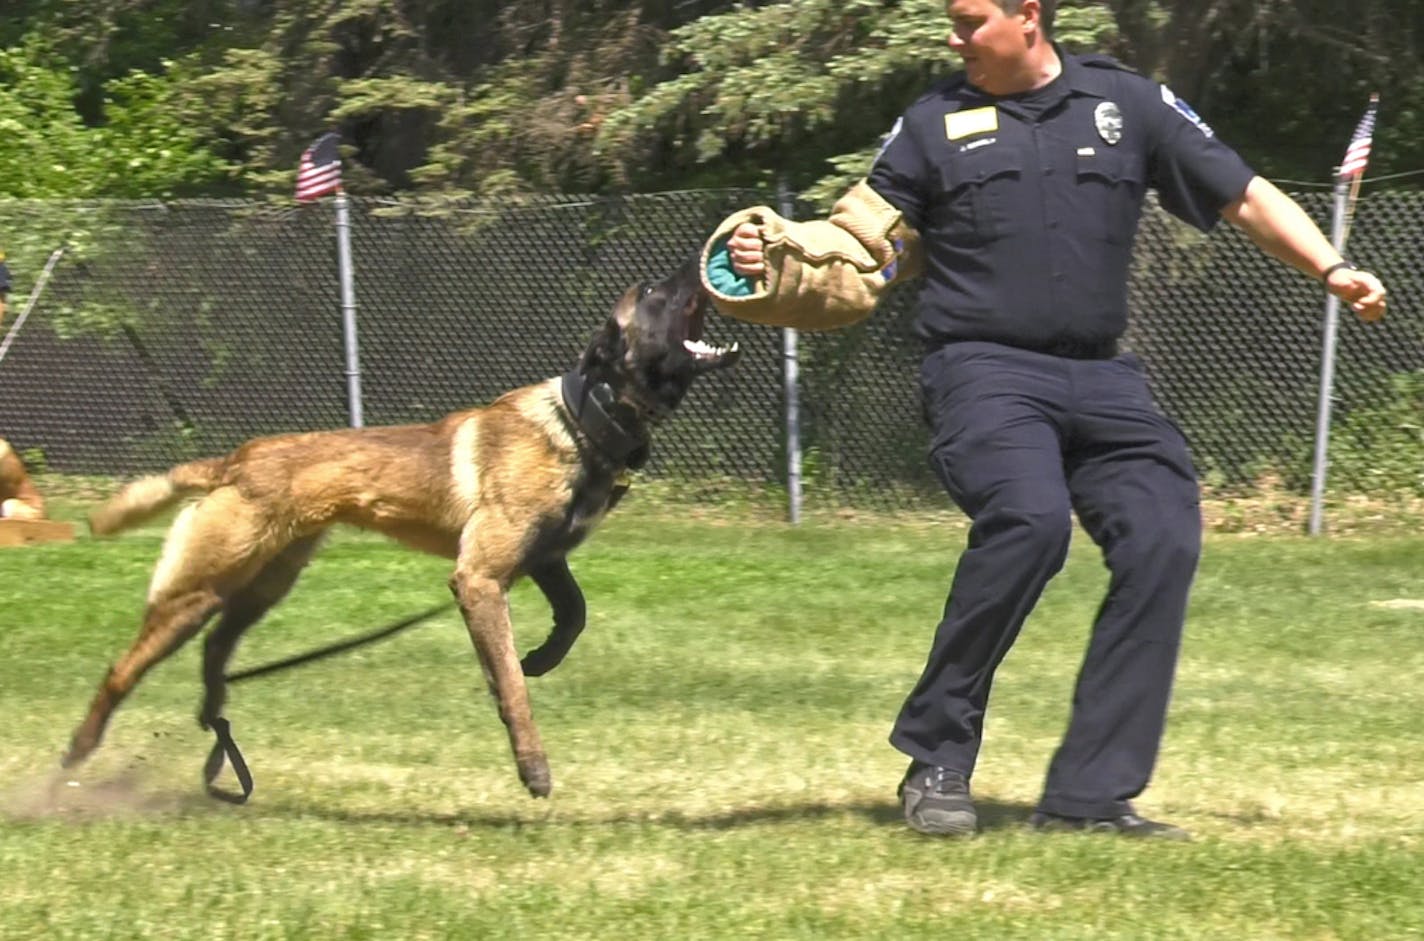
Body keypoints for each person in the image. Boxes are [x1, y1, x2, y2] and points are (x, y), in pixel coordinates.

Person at [699, 0, 1387, 840]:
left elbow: (1242, 195)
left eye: (967, 19)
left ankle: (1090, 796)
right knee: (1028, 521)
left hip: (1102, 377)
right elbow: (861, 234)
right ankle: (939, 756)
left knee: (1163, 536)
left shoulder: (1127, 103)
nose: (951, 38)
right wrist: (777, 250)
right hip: (982, 370)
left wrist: (1332, 265)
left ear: (1029, 15)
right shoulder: (934, 123)